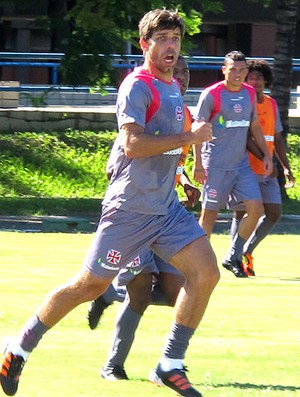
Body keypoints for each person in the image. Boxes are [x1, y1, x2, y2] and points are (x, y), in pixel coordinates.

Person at [0, 10, 220, 397]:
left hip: (164, 209)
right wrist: (189, 137)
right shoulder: (138, 86)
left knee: (206, 273)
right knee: (87, 286)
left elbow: (165, 149)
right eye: (163, 39)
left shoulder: (172, 87)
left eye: (175, 39)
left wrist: (183, 173)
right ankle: (17, 348)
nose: (171, 46)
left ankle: (169, 363)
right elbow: (133, 145)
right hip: (130, 210)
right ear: (145, 45)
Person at [87, 57, 200, 382]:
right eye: (175, 70)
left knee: (178, 293)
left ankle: (110, 294)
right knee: (139, 291)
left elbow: (170, 162)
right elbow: (121, 161)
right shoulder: (145, 104)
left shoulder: (185, 115)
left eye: (185, 72)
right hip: (133, 216)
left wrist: (183, 180)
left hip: (166, 216)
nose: (179, 76)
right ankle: (113, 365)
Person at [193, 50, 273, 278]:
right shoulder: (211, 95)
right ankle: (199, 264)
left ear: (246, 72)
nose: (237, 74)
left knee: (257, 210)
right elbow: (197, 131)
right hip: (215, 166)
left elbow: (254, 125)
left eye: (242, 70)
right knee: (208, 217)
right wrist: (198, 165)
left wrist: (266, 156)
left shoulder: (248, 93)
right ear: (224, 70)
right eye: (233, 69)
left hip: (240, 166)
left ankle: (233, 254)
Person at [229, 59, 295, 276]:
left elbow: (276, 137)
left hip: (266, 170)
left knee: (274, 213)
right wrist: (267, 158)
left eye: (259, 77)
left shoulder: (271, 104)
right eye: (251, 77)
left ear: (266, 81)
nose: (254, 81)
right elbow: (247, 137)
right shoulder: (242, 102)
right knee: (241, 213)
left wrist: (285, 166)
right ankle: (234, 258)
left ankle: (246, 251)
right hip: (244, 168)